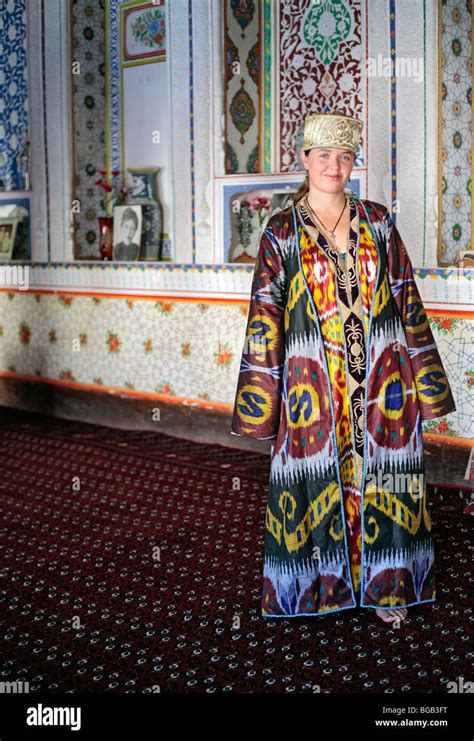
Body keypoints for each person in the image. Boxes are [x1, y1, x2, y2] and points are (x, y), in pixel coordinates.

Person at [230, 110, 456, 623]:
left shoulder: (377, 220)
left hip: (384, 382)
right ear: (305, 159)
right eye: (324, 155)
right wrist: (265, 403)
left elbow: (407, 298)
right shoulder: (281, 232)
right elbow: (264, 316)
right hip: (313, 386)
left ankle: (387, 590)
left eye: (345, 156)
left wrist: (425, 384)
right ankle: (317, 588)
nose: (335, 165)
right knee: (312, 485)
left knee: (388, 481)